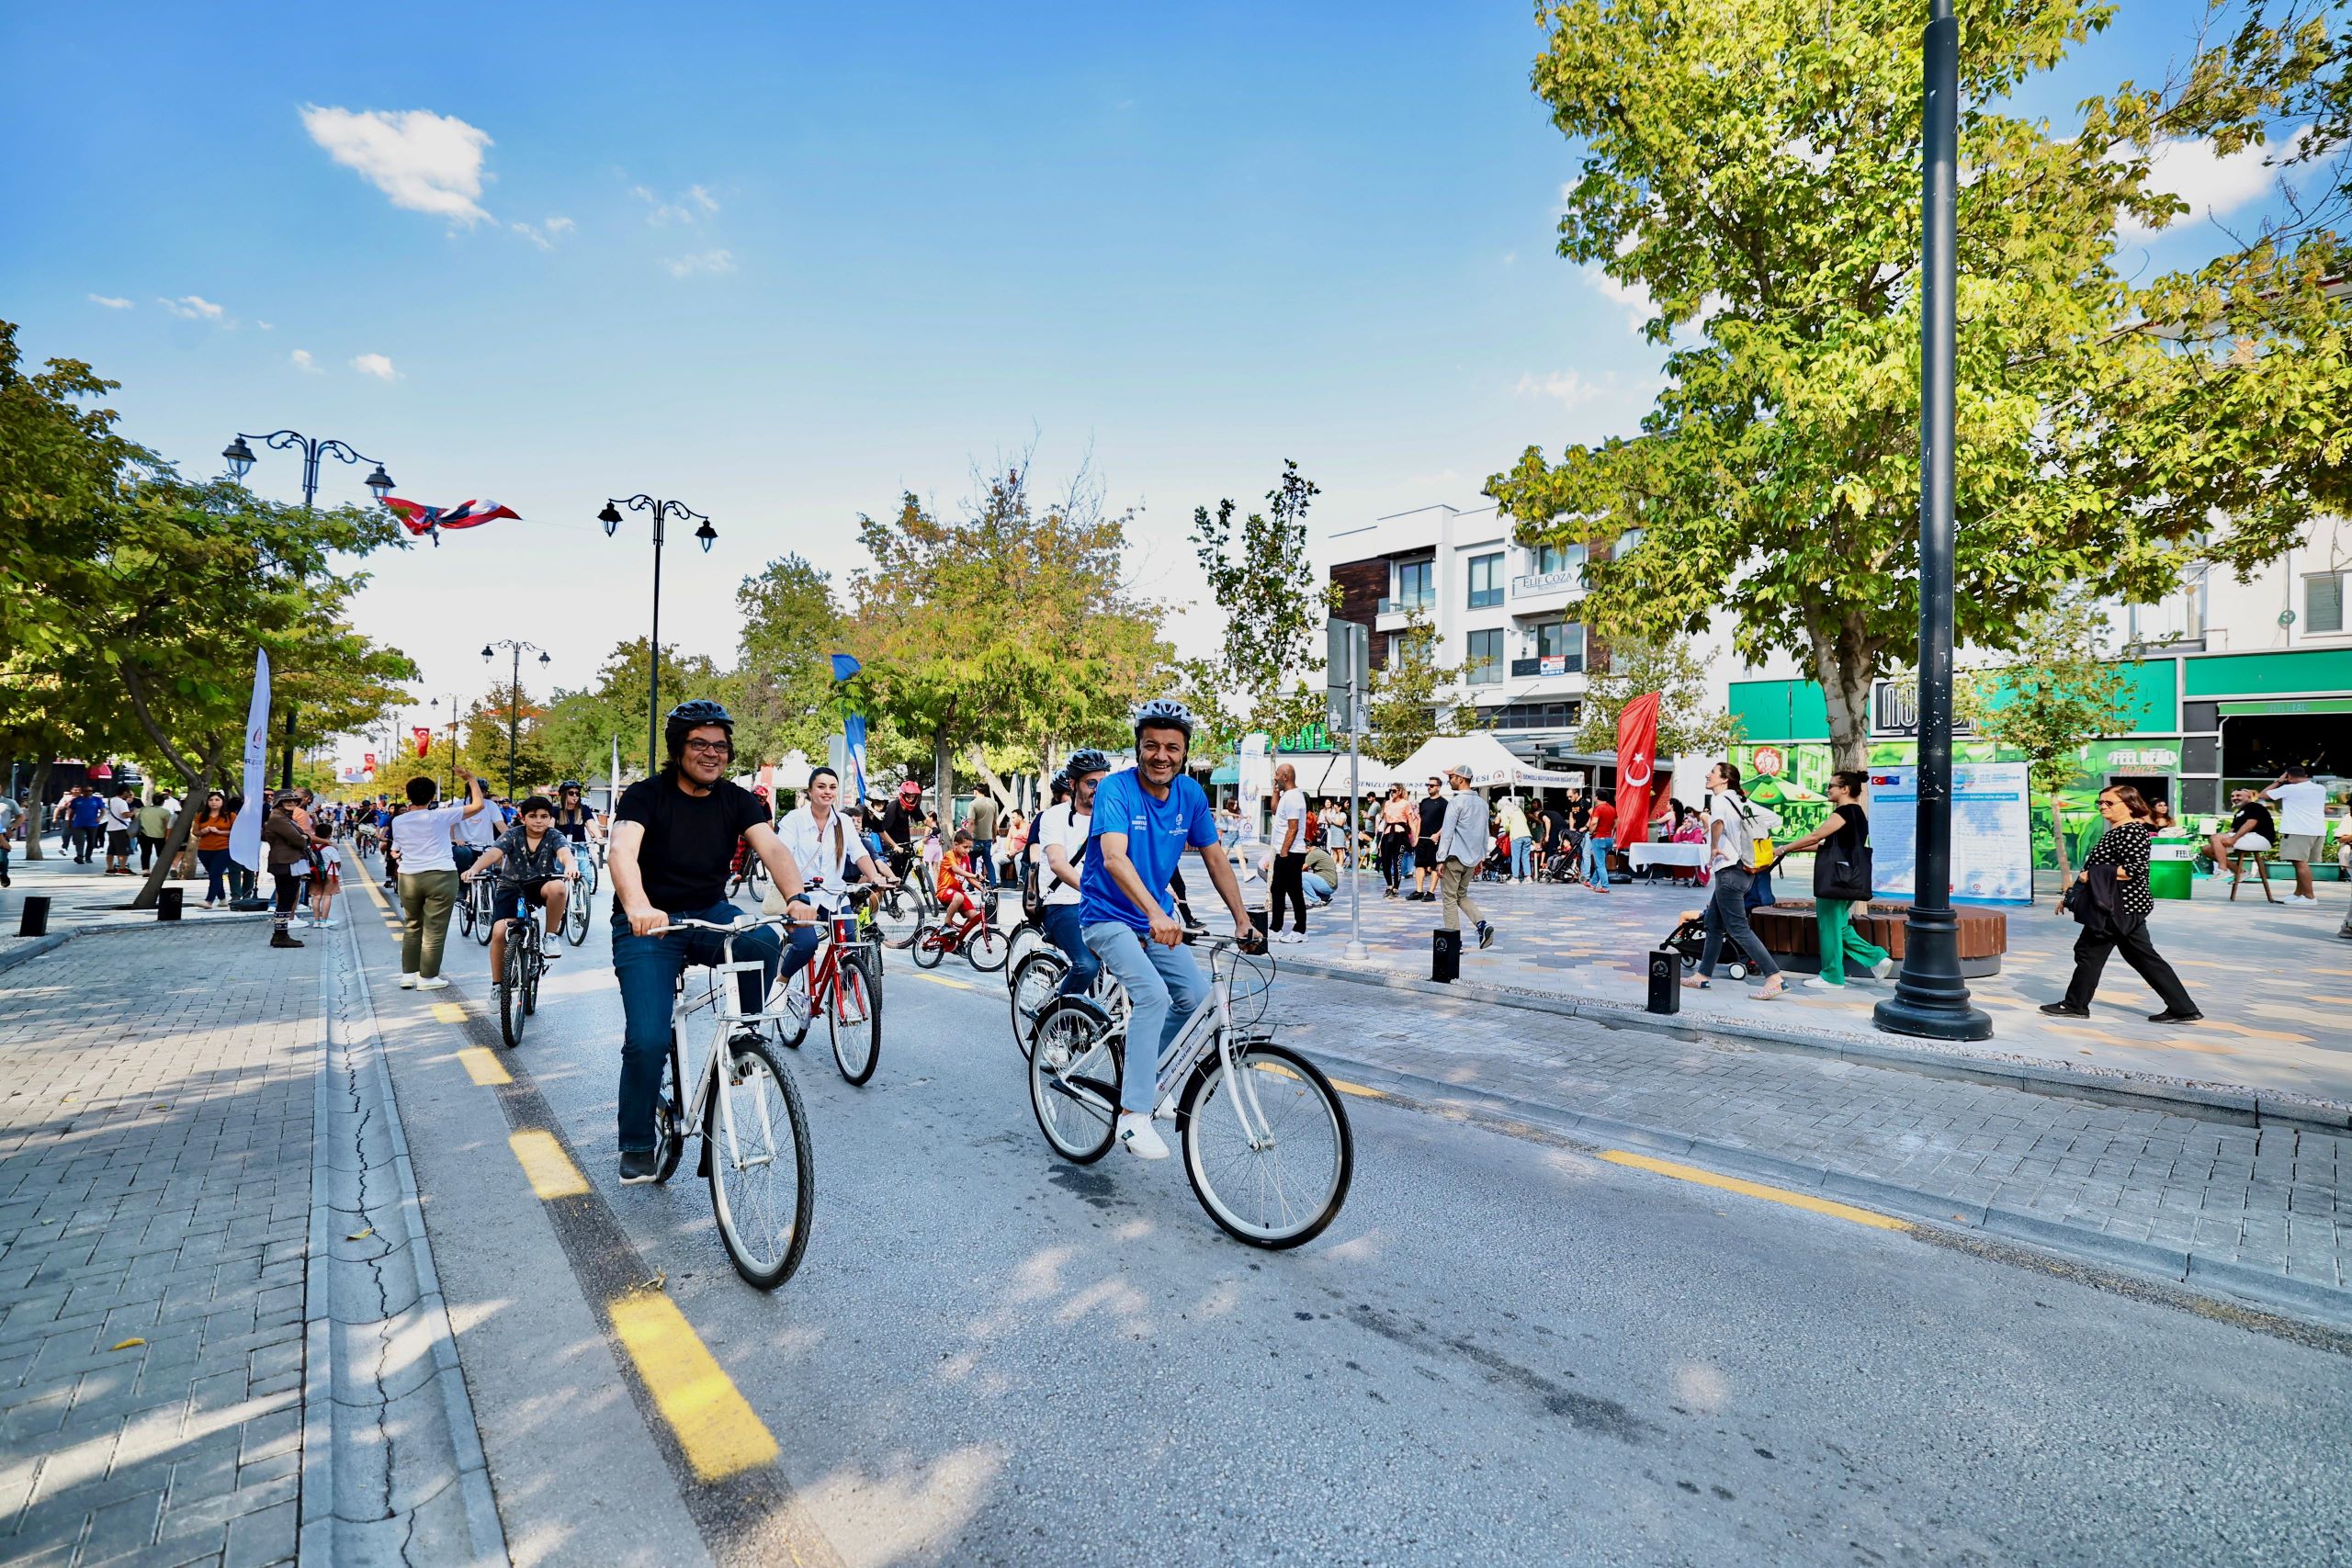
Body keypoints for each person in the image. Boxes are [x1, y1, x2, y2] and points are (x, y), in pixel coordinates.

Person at [610, 700, 815, 1185]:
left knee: (763, 939)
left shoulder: (737, 799)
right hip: (650, 924)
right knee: (648, 1039)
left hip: (708, 913)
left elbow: (773, 848)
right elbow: (622, 851)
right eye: (699, 744)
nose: (711, 754)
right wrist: (638, 906)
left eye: (719, 746)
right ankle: (637, 1142)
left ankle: (743, 1035)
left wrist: (797, 896)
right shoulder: (645, 795)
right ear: (678, 748)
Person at [1080, 699, 1263, 1160]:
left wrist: (1242, 918)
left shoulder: (1191, 796)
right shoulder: (1115, 791)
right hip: (1106, 916)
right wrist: (1157, 914)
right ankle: (1132, 1115)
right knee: (1153, 996)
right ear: (1139, 747)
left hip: (1156, 918)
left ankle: (1146, 1079)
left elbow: (1216, 856)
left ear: (1184, 753)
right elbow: (1115, 857)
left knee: (1197, 1000)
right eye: (1151, 746)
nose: (1161, 755)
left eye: (1172, 748)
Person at [2041, 785, 2201, 1022]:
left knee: (2089, 952)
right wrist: (2072, 894)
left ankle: (2075, 1005)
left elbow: (2134, 870)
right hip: (2121, 907)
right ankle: (2183, 1008)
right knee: (2142, 958)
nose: (2103, 807)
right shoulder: (2119, 831)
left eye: (2109, 803)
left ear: (2129, 805)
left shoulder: (2131, 832)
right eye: (2100, 803)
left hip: (2118, 907)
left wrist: (2091, 874)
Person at [765, 765, 897, 1018]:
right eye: (821, 787)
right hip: (800, 896)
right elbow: (782, 856)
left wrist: (876, 877)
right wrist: (792, 891)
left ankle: (843, 999)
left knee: (850, 946)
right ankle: (781, 981)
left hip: (834, 896)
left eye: (832, 787)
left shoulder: (843, 822)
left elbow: (859, 853)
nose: (827, 792)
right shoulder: (794, 820)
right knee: (806, 944)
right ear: (810, 791)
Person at [1771, 770, 1893, 990]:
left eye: (1831, 786)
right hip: (1850, 878)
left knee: (1828, 926)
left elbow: (1816, 835)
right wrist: (1788, 850)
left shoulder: (1844, 811)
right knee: (1840, 926)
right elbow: (1825, 846)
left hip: (1835, 879)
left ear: (1845, 789)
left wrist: (1783, 848)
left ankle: (1832, 976)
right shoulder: (1858, 814)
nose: (1828, 789)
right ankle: (1876, 958)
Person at [1684, 761, 1785, 999]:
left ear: (1724, 779)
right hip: (1743, 869)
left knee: (1738, 927)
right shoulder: (1741, 802)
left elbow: (1718, 824)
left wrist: (1714, 847)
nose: (1707, 774)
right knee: (1714, 924)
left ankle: (1774, 977)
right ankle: (1702, 976)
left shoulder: (1720, 800)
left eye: (1712, 772)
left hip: (1729, 870)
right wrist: (1745, 835)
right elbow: (1774, 819)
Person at [465, 795, 578, 992]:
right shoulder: (513, 835)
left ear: (549, 819)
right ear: (523, 817)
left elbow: (564, 852)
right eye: (533, 816)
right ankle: (497, 986)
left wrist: (570, 865)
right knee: (499, 932)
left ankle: (550, 937)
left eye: (544, 816)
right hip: (511, 886)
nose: (538, 821)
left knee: (559, 887)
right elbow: (494, 853)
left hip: (540, 885)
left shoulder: (554, 835)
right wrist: (475, 869)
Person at [390, 769, 491, 989]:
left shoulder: (398, 821)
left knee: (412, 925)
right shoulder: (440, 815)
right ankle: (427, 978)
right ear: (432, 797)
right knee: (435, 929)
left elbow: (397, 847)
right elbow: (478, 806)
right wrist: (471, 779)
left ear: (408, 796)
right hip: (441, 875)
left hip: (408, 877)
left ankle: (408, 975)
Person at [1035, 751, 1109, 998]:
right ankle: (1056, 1018)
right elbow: (1057, 862)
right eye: (1091, 783)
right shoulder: (1053, 817)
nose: (1098, 789)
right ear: (1072, 784)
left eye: (1102, 783)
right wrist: (1094, 892)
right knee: (1087, 965)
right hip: (1061, 904)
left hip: (1100, 906)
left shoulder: (1111, 816)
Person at [1431, 761, 1496, 948]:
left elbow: (1448, 833)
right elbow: (1485, 833)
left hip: (1453, 857)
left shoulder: (1456, 802)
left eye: (1451, 777)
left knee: (1449, 899)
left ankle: (1453, 944)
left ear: (1461, 779)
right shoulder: (1482, 804)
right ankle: (1482, 924)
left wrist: (1440, 859)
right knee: (1461, 895)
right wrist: (1481, 858)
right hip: (1471, 859)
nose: (1449, 780)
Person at [261, 795, 324, 949]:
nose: (291, 803)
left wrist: (302, 837)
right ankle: (280, 935)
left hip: (287, 862)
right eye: (286, 801)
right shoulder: (279, 818)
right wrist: (303, 838)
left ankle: (280, 934)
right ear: (279, 803)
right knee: (285, 900)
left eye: (294, 801)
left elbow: (299, 837)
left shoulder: (284, 818)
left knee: (286, 900)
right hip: (285, 862)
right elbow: (299, 840)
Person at [2262, 766, 2328, 907]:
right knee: (2301, 863)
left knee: (2299, 863)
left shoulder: (2290, 788)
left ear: (2289, 777)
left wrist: (2279, 781)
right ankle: (2299, 894)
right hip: (2317, 830)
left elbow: (2263, 795)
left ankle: (2310, 897)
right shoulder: (2320, 789)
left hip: (2298, 830)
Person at [2207, 788, 2277, 896]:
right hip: (2246, 838)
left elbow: (2250, 824)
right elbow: (2231, 831)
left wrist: (2232, 839)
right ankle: (2240, 872)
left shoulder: (2254, 807)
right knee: (2207, 849)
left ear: (2248, 797)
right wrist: (2222, 843)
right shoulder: (2239, 813)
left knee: (2215, 837)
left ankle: (2223, 870)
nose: (2235, 798)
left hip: (2260, 838)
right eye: (2232, 796)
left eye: (2238, 795)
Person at [1268, 761, 1309, 943]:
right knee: (1277, 890)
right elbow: (1275, 810)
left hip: (1291, 852)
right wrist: (1275, 791)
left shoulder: (1294, 798)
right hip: (1284, 851)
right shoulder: (1287, 796)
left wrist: (1284, 852)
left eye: (1277, 774)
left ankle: (1300, 930)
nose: (1275, 777)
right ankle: (1276, 928)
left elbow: (1293, 828)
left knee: (1294, 892)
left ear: (1286, 777)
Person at [878, 779, 922, 883]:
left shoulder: (913, 807)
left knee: (910, 860)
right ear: (902, 795)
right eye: (908, 796)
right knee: (896, 864)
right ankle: (892, 883)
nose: (911, 799)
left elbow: (924, 819)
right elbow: (882, 831)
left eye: (913, 797)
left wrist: (934, 828)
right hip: (891, 841)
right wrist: (894, 845)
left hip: (904, 841)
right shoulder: (893, 807)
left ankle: (900, 883)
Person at [1411, 776, 1446, 901]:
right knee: (1419, 864)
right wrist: (1416, 836)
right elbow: (1420, 819)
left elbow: (1447, 822)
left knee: (1434, 865)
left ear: (1438, 787)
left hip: (1434, 839)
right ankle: (1419, 891)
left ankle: (1431, 892)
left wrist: (1438, 834)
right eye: (1428, 785)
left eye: (1432, 785)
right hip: (1422, 838)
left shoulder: (1444, 803)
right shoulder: (1424, 802)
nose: (1429, 787)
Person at [1377, 784, 1412, 898]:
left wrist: (1414, 838)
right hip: (1387, 833)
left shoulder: (1405, 803)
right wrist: (1380, 840)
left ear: (1400, 791)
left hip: (1400, 834)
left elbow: (1411, 822)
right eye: (1390, 791)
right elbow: (1386, 822)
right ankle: (1389, 886)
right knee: (1385, 862)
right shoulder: (1387, 803)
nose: (1392, 793)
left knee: (1397, 861)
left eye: (1394, 791)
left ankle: (1396, 888)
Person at [1583, 793, 1617, 891]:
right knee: (1600, 862)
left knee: (1600, 864)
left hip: (1598, 838)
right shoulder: (1612, 808)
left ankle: (1605, 886)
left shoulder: (1598, 808)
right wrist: (1609, 830)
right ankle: (1593, 883)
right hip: (1609, 839)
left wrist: (1591, 832)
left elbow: (1594, 822)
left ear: (1597, 797)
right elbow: (1616, 822)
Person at [967, 789, 1000, 888]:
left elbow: (971, 822)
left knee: (972, 860)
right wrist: (994, 836)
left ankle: (971, 885)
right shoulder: (993, 803)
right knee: (988, 861)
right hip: (988, 838)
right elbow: (994, 822)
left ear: (975, 791)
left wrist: (968, 836)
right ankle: (993, 884)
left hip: (975, 838)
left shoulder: (973, 804)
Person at [133, 792, 173, 874]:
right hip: (160, 835)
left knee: (145, 853)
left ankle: (146, 870)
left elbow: (136, 819)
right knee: (161, 854)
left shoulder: (143, 809)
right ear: (163, 802)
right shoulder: (165, 812)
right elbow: (168, 825)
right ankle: (161, 870)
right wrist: (167, 836)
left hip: (144, 834)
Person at [1498, 794, 1532, 882]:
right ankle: (1528, 877)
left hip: (1516, 836)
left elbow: (1506, 826)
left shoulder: (1504, 811)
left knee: (1515, 857)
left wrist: (1507, 832)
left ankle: (1515, 878)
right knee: (1525, 857)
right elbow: (1525, 820)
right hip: (1527, 835)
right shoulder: (1518, 809)